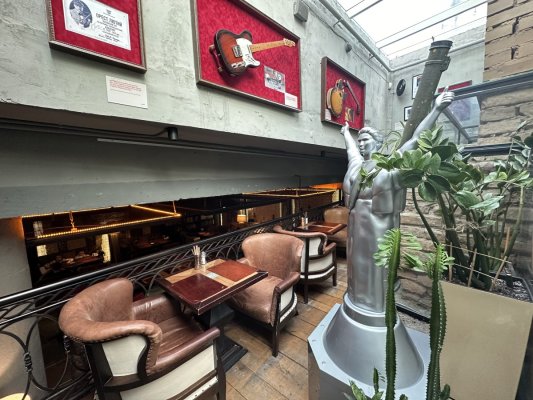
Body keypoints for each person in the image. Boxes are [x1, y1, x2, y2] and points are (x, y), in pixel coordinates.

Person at [341, 90, 454, 313]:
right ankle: (356, 298)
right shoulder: (356, 166)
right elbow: (350, 149)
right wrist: (346, 132)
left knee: (376, 266)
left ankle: (375, 305)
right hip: (355, 226)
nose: (361, 144)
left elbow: (416, 140)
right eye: (360, 141)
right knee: (355, 264)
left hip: (378, 226)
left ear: (377, 143)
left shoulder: (390, 164)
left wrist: (437, 109)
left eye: (365, 140)